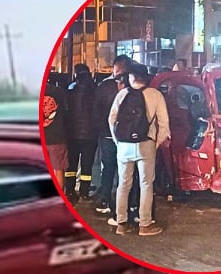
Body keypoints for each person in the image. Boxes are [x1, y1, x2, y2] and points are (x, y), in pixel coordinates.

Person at [108, 65, 169, 237]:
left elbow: (111, 119)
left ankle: (121, 223)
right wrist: (155, 143)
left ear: (131, 78)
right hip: (146, 145)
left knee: (124, 184)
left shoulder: (122, 94)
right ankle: (144, 225)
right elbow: (164, 124)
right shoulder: (155, 95)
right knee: (146, 185)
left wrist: (117, 141)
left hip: (123, 146)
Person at [64, 64, 97, 200]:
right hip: (91, 135)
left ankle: (70, 190)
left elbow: (66, 113)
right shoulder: (95, 90)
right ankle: (84, 191)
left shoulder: (70, 90)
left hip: (72, 134)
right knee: (87, 165)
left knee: (71, 164)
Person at [90, 71, 121, 216]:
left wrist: (100, 130)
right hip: (124, 138)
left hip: (107, 135)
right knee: (125, 172)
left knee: (107, 169)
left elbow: (95, 111)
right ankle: (123, 204)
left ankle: (105, 200)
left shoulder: (103, 87)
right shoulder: (130, 91)